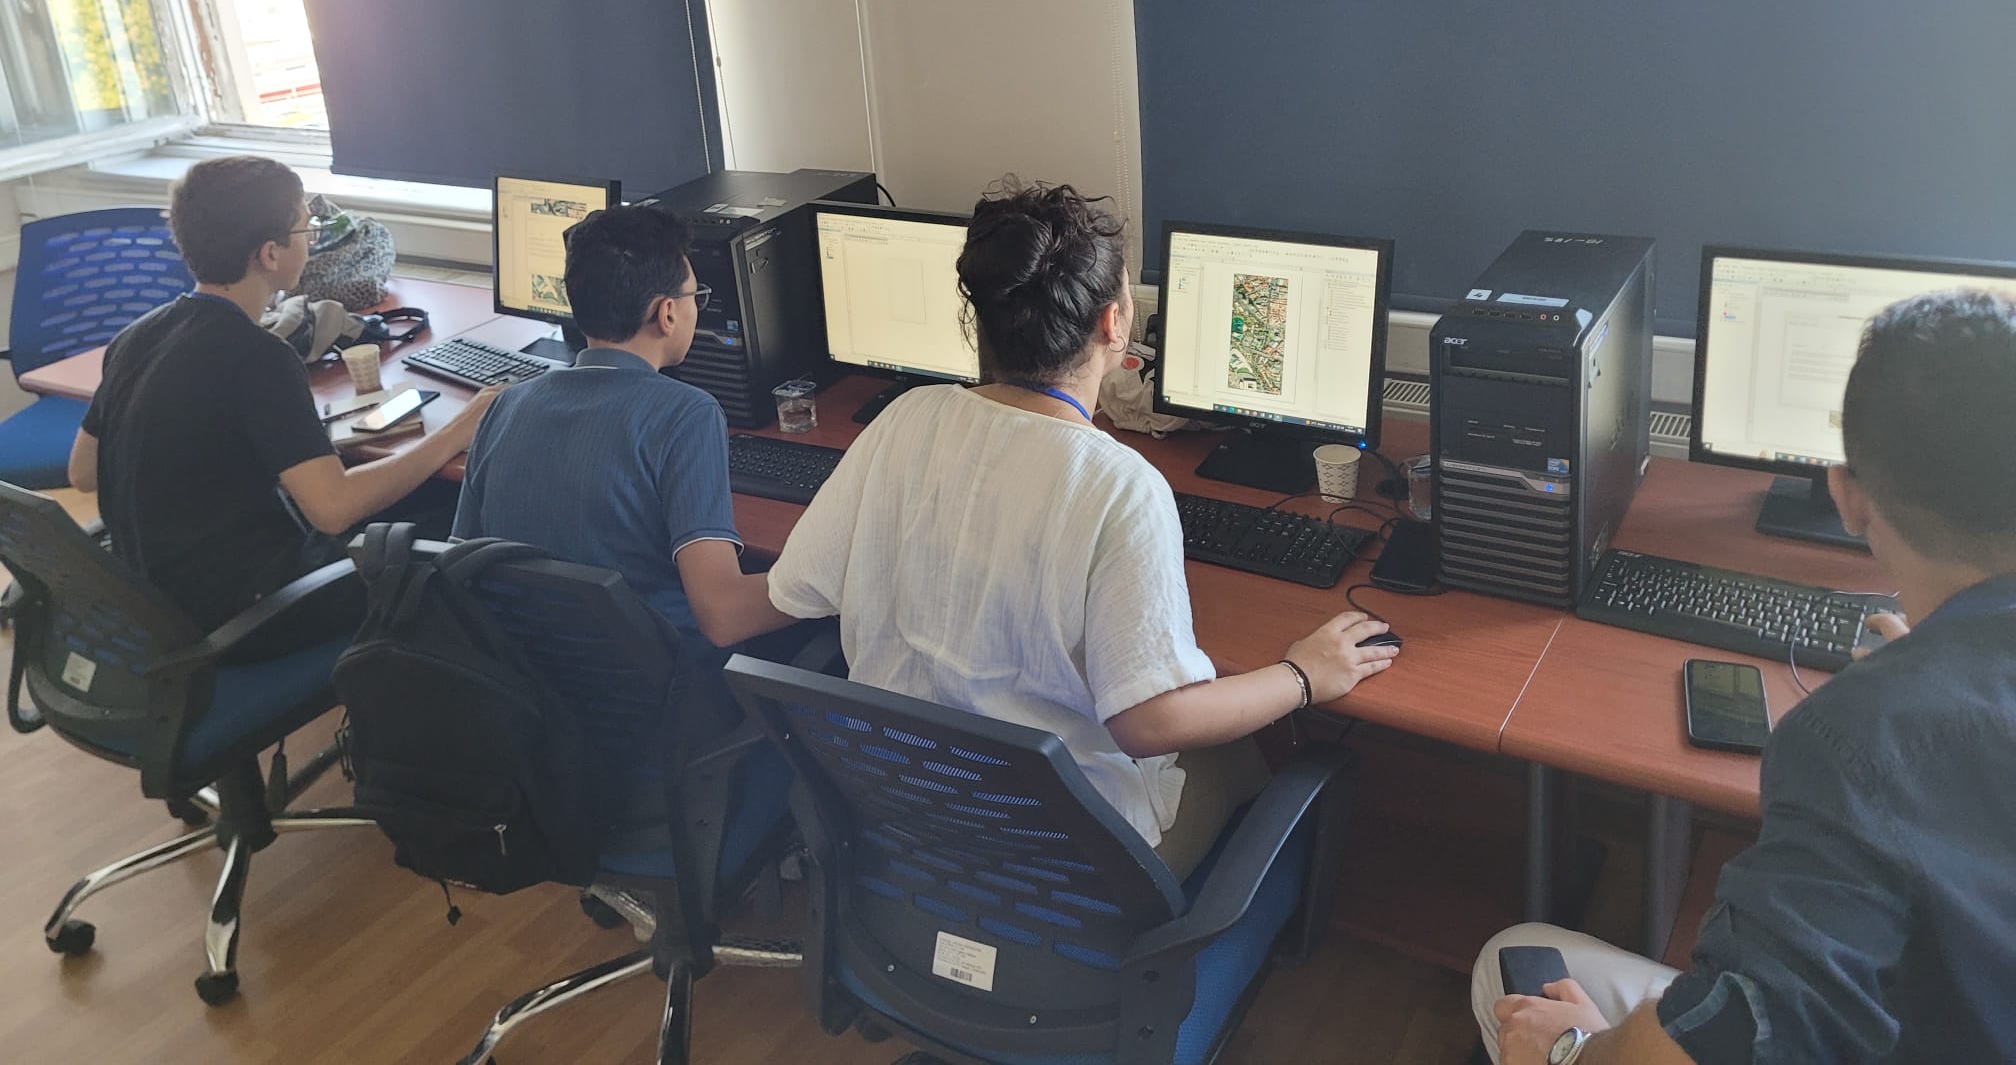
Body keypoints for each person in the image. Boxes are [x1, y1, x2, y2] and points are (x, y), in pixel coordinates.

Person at [765, 179, 1398, 879]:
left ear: (981, 318)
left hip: (903, 816)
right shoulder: (1117, 484)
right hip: (1059, 857)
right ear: (1113, 325)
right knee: (1247, 754)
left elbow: (797, 586)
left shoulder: (904, 418)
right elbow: (1149, 723)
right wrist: (1303, 675)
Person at [1473, 288, 2016, 1065]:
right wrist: (1931, 666)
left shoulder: (1859, 737)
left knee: (1510, 959)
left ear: (1847, 497)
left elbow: (1725, 1046)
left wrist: (1570, 1052)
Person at [67, 156, 498, 635]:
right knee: (453, 515)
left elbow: (83, 472)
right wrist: (460, 428)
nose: (311, 240)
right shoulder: (258, 356)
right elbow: (333, 510)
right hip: (249, 612)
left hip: (149, 599)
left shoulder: (138, 335)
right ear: (270, 254)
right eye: (305, 229)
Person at [453, 202, 802, 666]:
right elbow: (724, 616)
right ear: (667, 313)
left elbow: (461, 565)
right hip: (668, 689)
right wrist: (837, 582)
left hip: (529, 686)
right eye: (696, 297)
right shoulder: (687, 414)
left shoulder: (505, 405)